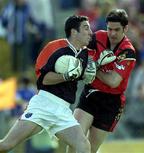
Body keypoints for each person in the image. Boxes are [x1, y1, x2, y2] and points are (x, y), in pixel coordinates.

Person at [0, 15, 94, 153]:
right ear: (74, 32)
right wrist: (66, 75)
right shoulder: (55, 47)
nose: (90, 32)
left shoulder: (85, 54)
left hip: (63, 110)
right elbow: (44, 79)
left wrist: (89, 74)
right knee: (6, 145)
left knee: (83, 145)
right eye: (86, 28)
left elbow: (83, 75)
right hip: (44, 105)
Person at [68, 9, 136, 153]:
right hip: (91, 93)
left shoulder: (128, 51)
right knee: (75, 141)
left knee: (91, 149)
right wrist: (85, 62)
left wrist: (94, 67)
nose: (112, 33)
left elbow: (113, 81)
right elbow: (80, 50)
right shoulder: (97, 36)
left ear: (126, 28)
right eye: (109, 29)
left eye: (117, 30)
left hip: (111, 102)